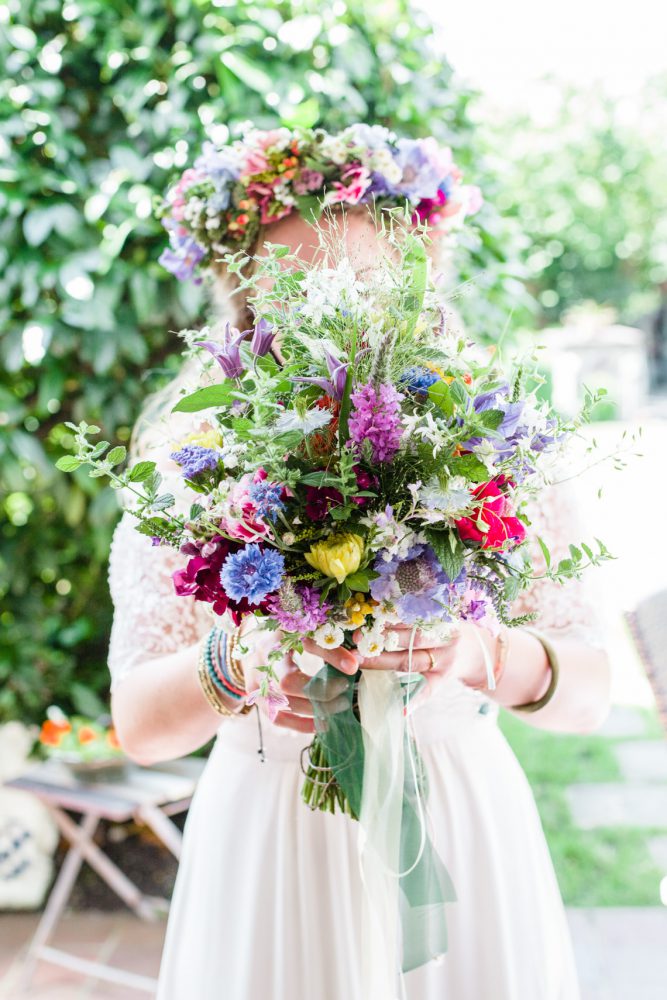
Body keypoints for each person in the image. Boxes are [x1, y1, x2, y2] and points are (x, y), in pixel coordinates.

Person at [108, 136, 610, 999]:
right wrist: (236, 663)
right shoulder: (184, 466)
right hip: (268, 836)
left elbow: (591, 694)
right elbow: (140, 727)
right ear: (247, 299)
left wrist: (477, 655)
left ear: (415, 284)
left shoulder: (499, 447)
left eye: (363, 283)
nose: (334, 312)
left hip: (456, 818)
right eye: (299, 288)